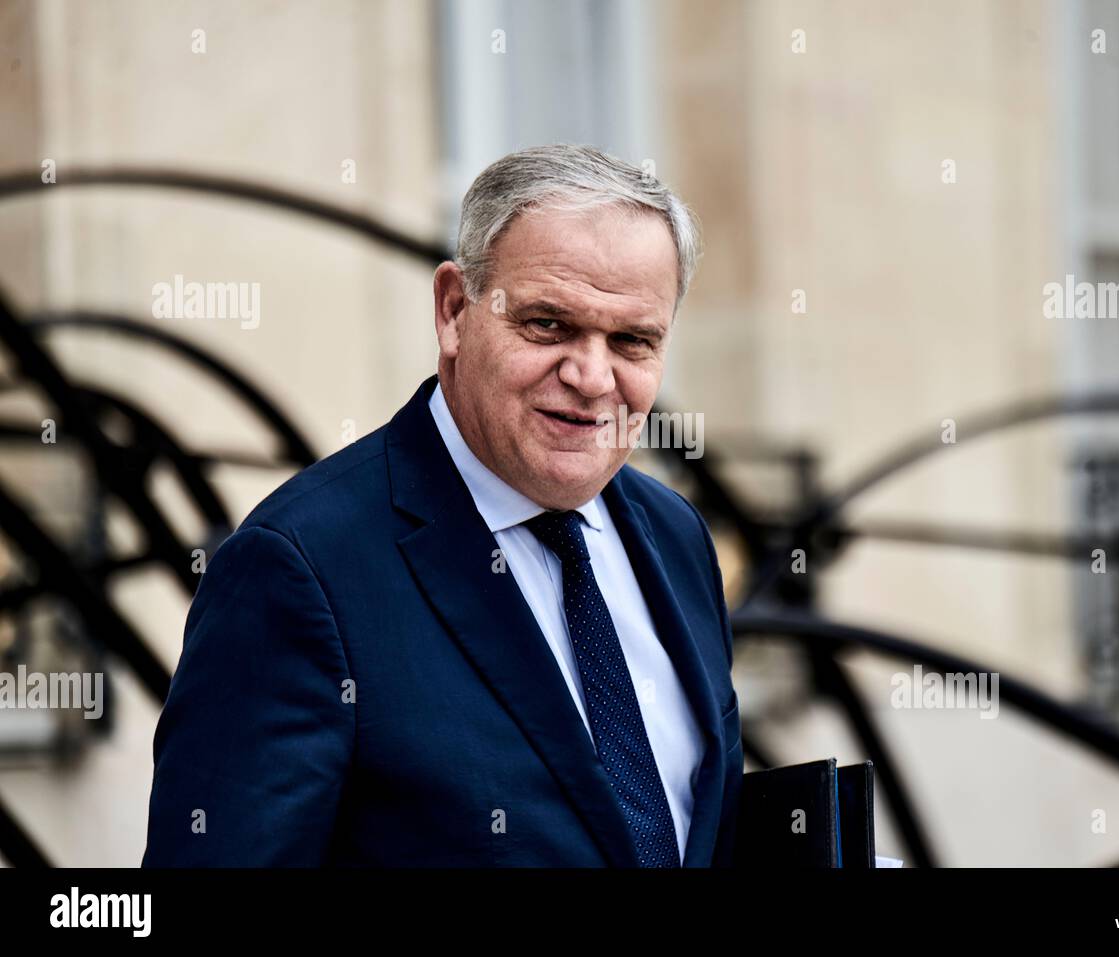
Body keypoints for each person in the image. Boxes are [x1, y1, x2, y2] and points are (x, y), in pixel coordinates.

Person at [142, 144, 742, 867]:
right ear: (455, 309)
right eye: (548, 324)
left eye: (631, 341)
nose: (591, 376)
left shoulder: (677, 538)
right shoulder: (300, 569)